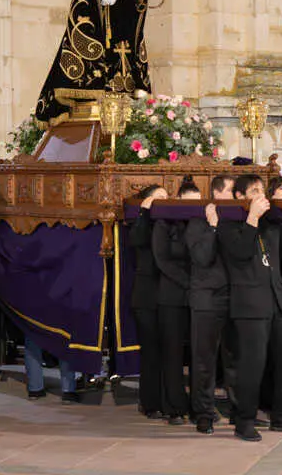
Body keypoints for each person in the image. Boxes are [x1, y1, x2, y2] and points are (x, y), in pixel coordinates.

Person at [218, 175, 282, 442]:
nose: (260, 194)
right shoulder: (227, 224)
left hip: (278, 300)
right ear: (239, 196)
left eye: (261, 190)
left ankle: (281, 415)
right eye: (254, 190)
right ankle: (244, 420)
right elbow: (241, 253)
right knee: (251, 365)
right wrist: (252, 218)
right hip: (249, 304)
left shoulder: (271, 223)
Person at [186, 175, 233, 434]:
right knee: (204, 359)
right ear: (217, 193)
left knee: (234, 359)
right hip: (207, 298)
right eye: (231, 191)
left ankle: (238, 411)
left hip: (234, 296)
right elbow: (202, 257)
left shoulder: (238, 219)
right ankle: (203, 413)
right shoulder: (198, 221)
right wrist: (214, 227)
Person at [151, 177, 197, 425]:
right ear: (178, 201)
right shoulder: (164, 223)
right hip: (171, 295)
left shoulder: (201, 223)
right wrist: (188, 282)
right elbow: (162, 260)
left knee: (198, 354)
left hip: (198, 296)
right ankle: (174, 406)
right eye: (187, 203)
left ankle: (199, 405)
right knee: (172, 353)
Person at [127, 184, 168, 418]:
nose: (164, 201)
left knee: (168, 351)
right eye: (159, 197)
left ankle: (168, 401)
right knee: (151, 352)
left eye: (166, 197)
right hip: (146, 296)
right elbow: (137, 239)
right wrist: (144, 211)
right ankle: (150, 402)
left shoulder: (169, 224)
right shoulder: (141, 223)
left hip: (168, 294)